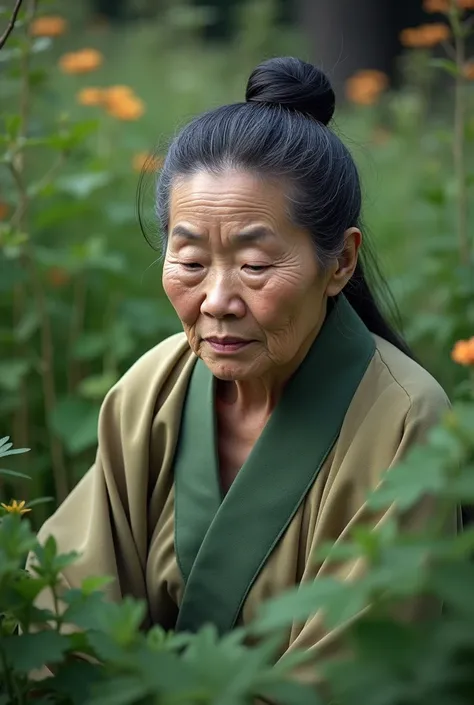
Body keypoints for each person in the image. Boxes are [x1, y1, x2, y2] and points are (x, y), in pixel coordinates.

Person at [29, 57, 453, 677]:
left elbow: (355, 674)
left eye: (255, 266)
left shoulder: (404, 419)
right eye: (191, 261)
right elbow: (64, 614)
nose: (217, 301)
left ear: (340, 262)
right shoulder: (150, 389)